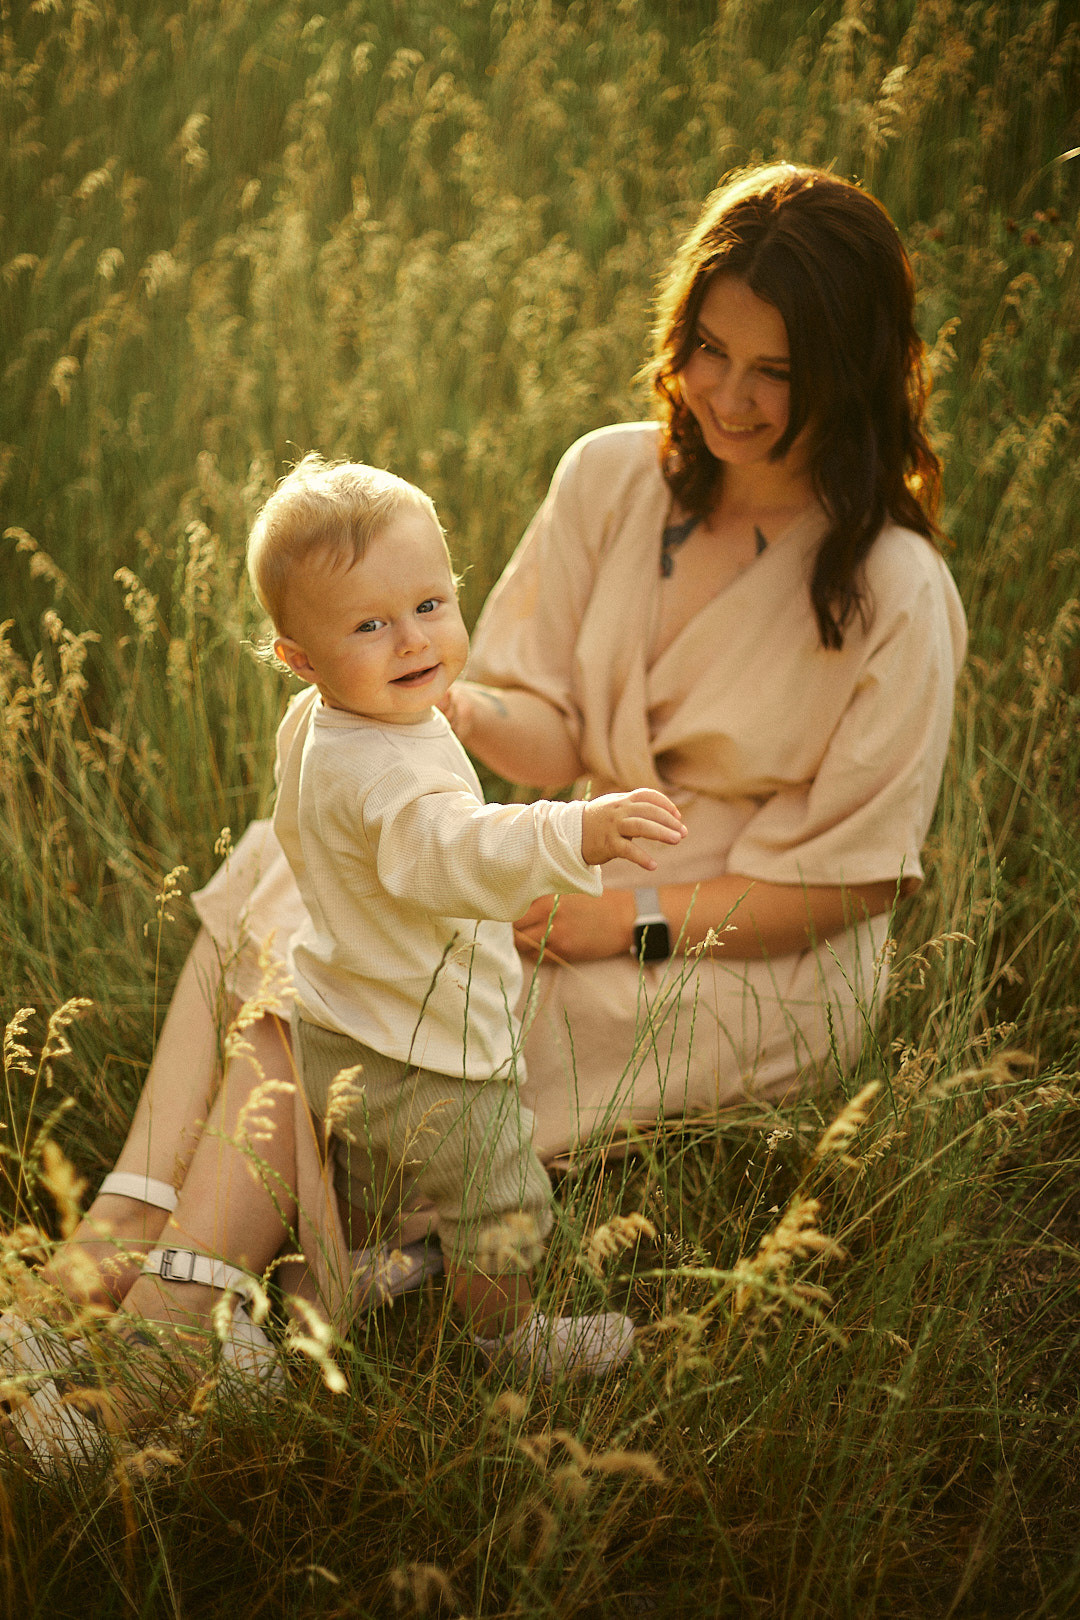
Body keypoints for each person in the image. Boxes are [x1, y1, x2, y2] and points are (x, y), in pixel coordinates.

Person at [2, 162, 965, 1462]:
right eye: (706, 350)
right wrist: (445, 712)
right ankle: (132, 1259)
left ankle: (151, 1328)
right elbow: (547, 723)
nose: (726, 396)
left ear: (850, 371)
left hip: (738, 949)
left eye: (774, 372)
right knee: (296, 866)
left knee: (390, 999)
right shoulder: (615, 477)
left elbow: (851, 887)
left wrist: (600, 922)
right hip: (568, 854)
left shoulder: (898, 590)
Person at [246, 453, 684, 1376]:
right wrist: (580, 830)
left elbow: (302, 825)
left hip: (340, 1009)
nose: (412, 641)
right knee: (499, 1195)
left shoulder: (321, 721)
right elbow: (456, 852)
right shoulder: (392, 771)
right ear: (301, 657)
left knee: (367, 1167)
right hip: (429, 1042)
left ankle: (356, 1267)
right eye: (371, 624)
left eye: (430, 606)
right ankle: (508, 1337)